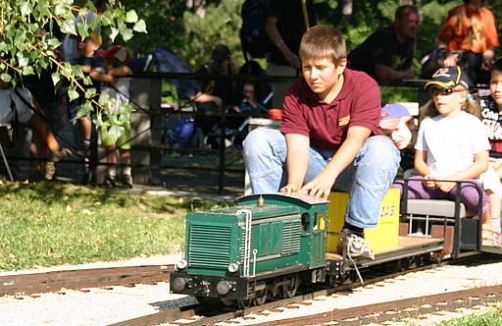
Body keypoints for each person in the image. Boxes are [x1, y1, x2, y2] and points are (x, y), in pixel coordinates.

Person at [243, 25, 401, 260]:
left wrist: (328, 175)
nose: (312, 75)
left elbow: (356, 138)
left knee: (382, 148)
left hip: (352, 169)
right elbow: (297, 144)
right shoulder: (296, 92)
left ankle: (354, 234)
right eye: (306, 67)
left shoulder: (364, 86)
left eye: (320, 68)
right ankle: (268, 224)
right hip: (313, 165)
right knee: (258, 138)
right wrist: (294, 185)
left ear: (341, 65)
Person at [392, 66, 494, 244]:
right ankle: (387, 226)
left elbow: (481, 163)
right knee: (397, 188)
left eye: (446, 91)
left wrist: (454, 179)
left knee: (476, 197)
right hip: (431, 182)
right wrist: (427, 175)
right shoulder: (427, 124)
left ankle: (486, 223)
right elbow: (419, 162)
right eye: (435, 91)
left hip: (461, 182)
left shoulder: (473, 124)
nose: (439, 96)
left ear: (461, 96)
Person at [348, 5, 420, 84]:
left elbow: (408, 72)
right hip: (348, 78)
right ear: (398, 22)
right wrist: (402, 74)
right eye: (409, 22)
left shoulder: (410, 41)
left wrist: (397, 74)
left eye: (416, 23)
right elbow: (383, 74)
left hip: (366, 83)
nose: (414, 26)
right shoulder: (384, 37)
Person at [436, 0, 499, 87]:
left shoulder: (487, 15)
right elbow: (441, 39)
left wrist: (487, 59)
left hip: (479, 60)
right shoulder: (457, 12)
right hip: (458, 58)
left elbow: (490, 45)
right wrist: (447, 55)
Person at [265, 0, 316, 107]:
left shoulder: (307, 3)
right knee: (284, 112)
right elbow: (270, 25)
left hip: (304, 67)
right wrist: (288, 55)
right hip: (284, 67)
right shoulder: (284, 2)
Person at [67, 31, 103, 184]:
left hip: (91, 108)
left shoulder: (98, 61)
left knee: (91, 141)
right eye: (78, 41)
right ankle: (86, 171)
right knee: (80, 143)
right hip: (74, 108)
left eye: (84, 41)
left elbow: (97, 73)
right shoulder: (74, 61)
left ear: (95, 45)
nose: (80, 44)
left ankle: (92, 171)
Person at [96, 45, 134, 188]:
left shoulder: (125, 70)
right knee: (110, 146)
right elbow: (94, 74)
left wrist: (108, 73)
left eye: (107, 59)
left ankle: (126, 174)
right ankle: (111, 174)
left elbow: (117, 76)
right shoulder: (102, 70)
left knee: (124, 146)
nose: (103, 61)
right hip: (107, 113)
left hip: (122, 113)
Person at [478, 58, 502, 244]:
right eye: (494, 82)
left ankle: (493, 227)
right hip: (481, 161)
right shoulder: (481, 105)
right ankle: (492, 227)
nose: (497, 89)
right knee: (487, 175)